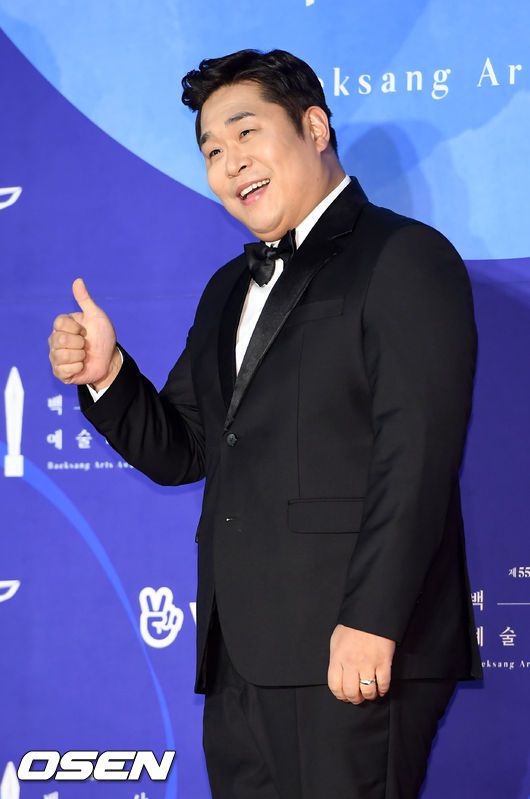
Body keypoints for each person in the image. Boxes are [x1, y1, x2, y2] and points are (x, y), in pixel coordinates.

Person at [48, 48, 482, 799]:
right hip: (239, 658)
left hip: (354, 650)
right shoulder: (227, 288)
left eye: (246, 132)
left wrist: (373, 620)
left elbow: (416, 456)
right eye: (212, 150)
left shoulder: (406, 256)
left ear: (314, 127)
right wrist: (107, 375)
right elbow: (185, 449)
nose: (230, 162)